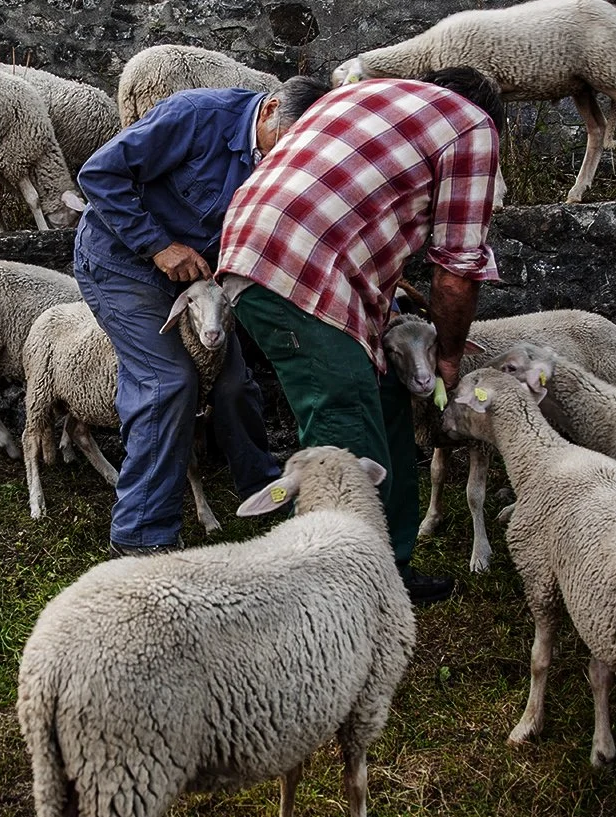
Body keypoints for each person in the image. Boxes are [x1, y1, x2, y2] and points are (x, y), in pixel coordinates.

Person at [217, 66, 506, 606]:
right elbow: (456, 272)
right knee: (345, 421)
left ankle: (389, 565)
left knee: (385, 393)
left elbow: (361, 215)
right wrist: (447, 355)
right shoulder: (472, 128)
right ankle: (345, 591)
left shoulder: (365, 93)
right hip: (300, 266)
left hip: (255, 243)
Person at [72, 75, 333, 555]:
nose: (289, 161)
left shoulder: (285, 154)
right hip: (121, 265)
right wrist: (158, 245)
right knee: (167, 381)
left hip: (199, 283)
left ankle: (262, 490)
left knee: (233, 380)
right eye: (289, 143)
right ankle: (141, 535)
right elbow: (99, 175)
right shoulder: (196, 115)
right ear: (271, 108)